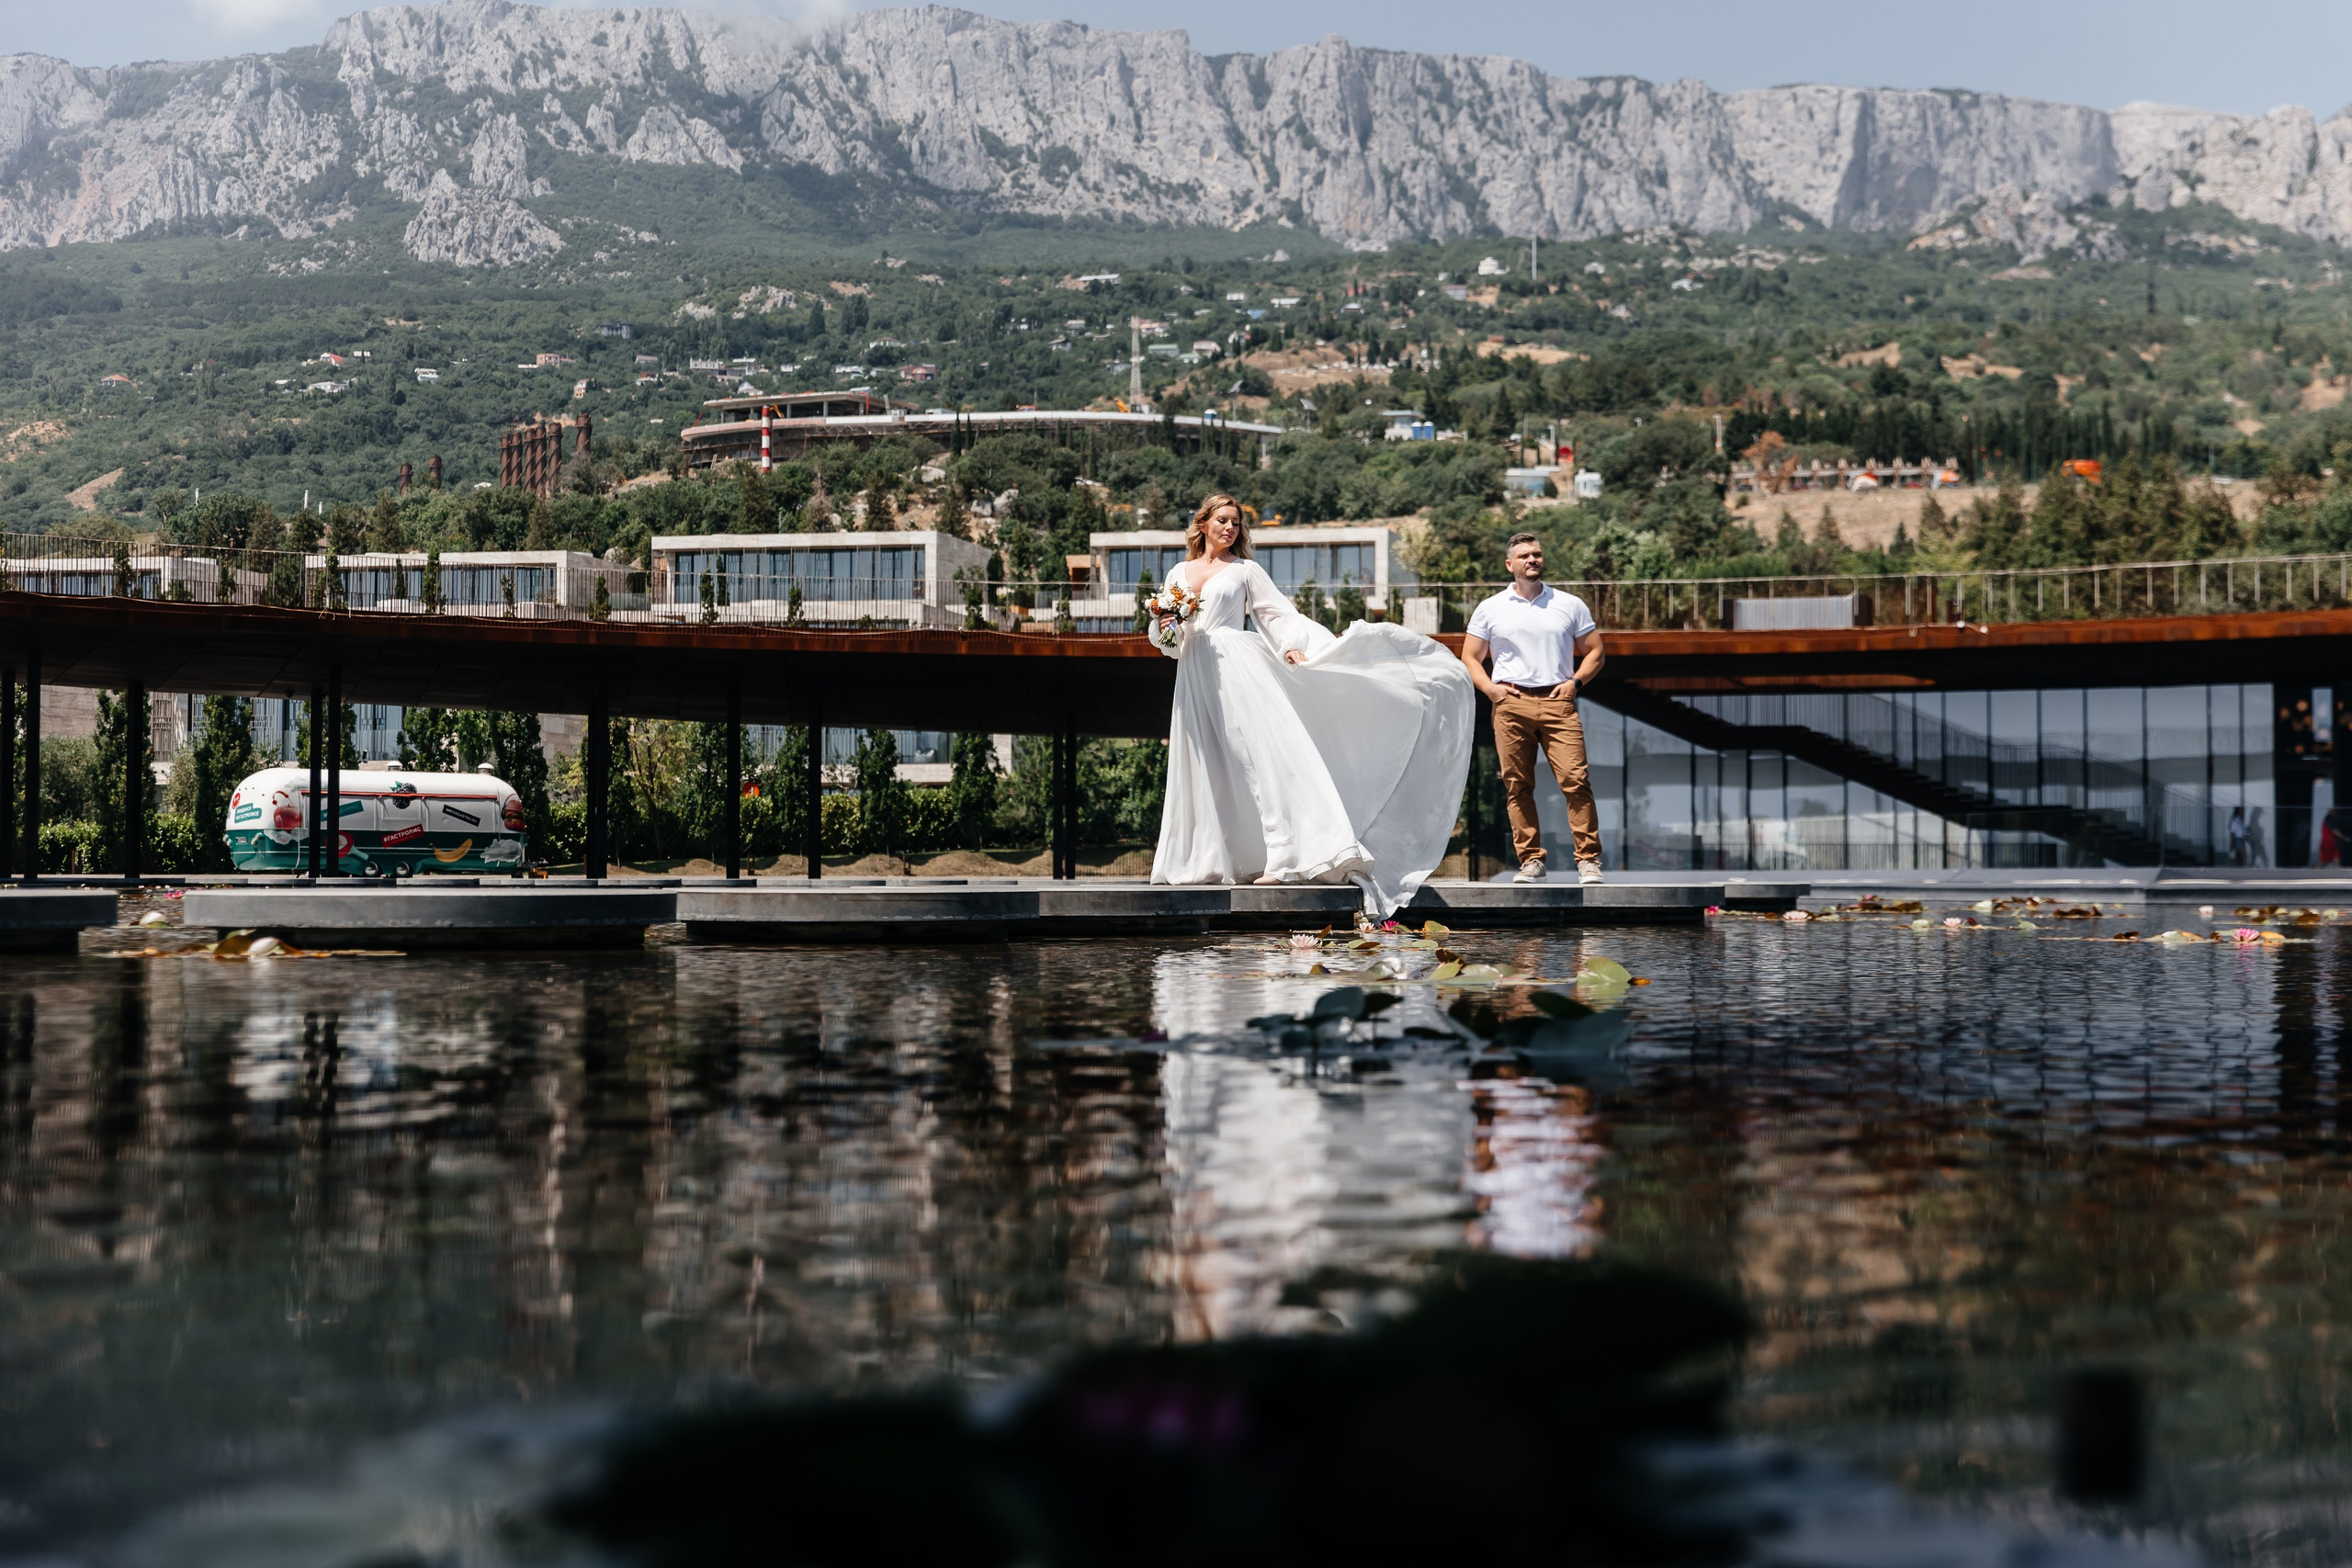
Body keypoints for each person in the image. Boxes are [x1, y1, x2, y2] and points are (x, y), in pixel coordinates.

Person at [1149, 494, 1474, 917]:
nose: (1230, 528)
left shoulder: (1245, 569)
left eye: (1236, 523)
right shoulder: (1179, 571)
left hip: (1236, 667)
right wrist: (1166, 627)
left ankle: (1283, 857)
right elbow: (1165, 638)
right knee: (1202, 760)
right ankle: (1205, 859)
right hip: (1194, 670)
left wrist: (1289, 647)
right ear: (1203, 524)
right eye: (1222, 521)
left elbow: (1275, 614)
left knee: (1254, 759)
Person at [1460, 533, 1606, 885]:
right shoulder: (1490, 607)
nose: (1533, 559)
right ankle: (1531, 862)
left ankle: (1588, 861)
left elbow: (1595, 651)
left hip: (1559, 704)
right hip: (1511, 704)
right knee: (1518, 786)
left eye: (1537, 554)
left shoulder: (1569, 604)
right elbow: (1470, 656)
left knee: (1576, 782)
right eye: (1524, 555)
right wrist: (1491, 691)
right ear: (1510, 565)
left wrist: (1575, 683)